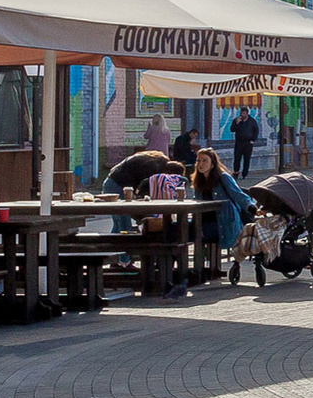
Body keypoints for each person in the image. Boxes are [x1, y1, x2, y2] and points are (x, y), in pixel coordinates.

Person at [193, 149, 255, 277]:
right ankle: (199, 269)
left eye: (205, 161)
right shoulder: (199, 180)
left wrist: (250, 207)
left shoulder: (223, 177)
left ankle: (204, 270)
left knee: (197, 235)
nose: (201, 164)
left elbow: (238, 195)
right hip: (205, 219)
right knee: (182, 232)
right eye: (199, 160)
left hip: (223, 220)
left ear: (213, 163)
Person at [107, 147, 185, 197]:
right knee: (124, 219)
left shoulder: (160, 160)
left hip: (114, 179)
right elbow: (144, 185)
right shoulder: (154, 169)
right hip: (117, 183)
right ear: (170, 173)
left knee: (122, 220)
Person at [230, 108, 260, 179]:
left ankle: (244, 174)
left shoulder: (252, 121)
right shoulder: (236, 120)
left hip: (248, 143)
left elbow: (256, 130)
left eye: (243, 114)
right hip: (239, 142)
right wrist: (237, 123)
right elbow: (232, 130)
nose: (242, 115)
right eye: (241, 113)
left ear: (247, 113)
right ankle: (236, 172)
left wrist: (253, 140)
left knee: (247, 159)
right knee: (237, 158)